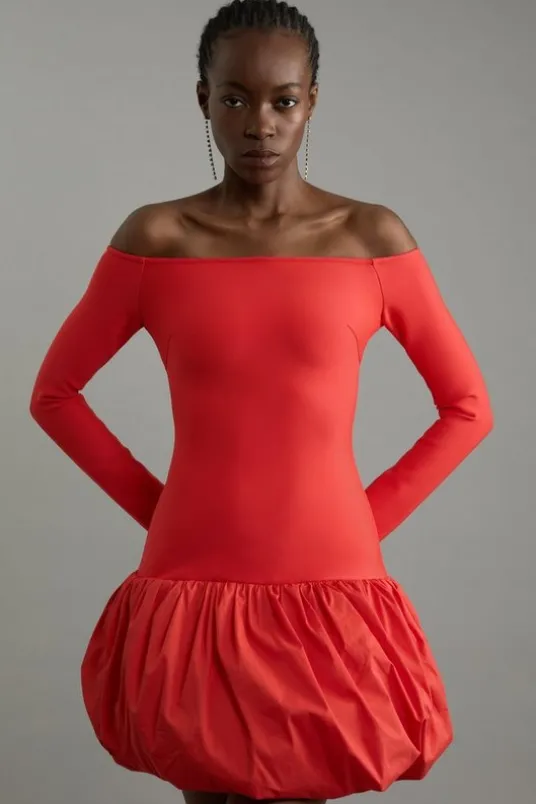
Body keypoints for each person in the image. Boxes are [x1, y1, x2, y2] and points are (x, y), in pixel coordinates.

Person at [29, 1, 494, 802]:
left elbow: (468, 407)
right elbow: (54, 395)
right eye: (235, 98)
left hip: (328, 576)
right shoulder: (157, 238)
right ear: (202, 100)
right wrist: (163, 510)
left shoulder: (370, 237)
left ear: (312, 100)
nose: (260, 124)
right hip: (192, 573)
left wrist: (362, 519)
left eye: (283, 100)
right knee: (205, 789)